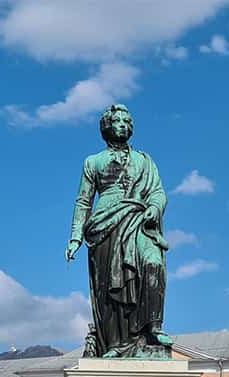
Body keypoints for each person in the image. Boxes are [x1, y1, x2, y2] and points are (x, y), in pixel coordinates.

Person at [66, 104, 172, 358]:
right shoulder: (93, 162)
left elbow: (158, 192)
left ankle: (153, 326)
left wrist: (155, 208)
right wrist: (75, 237)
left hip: (138, 219)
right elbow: (83, 201)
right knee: (110, 287)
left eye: (127, 121)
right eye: (117, 121)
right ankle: (115, 344)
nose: (123, 125)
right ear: (107, 127)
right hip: (105, 224)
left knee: (153, 263)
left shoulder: (145, 161)